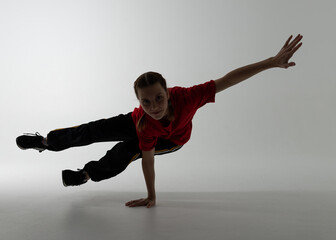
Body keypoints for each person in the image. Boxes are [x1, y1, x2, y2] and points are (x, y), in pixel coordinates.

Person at [16, 34, 303, 208]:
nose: (154, 106)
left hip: (171, 139)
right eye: (146, 101)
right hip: (140, 126)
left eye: (159, 98)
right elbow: (143, 122)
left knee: (125, 151)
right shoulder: (143, 118)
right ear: (139, 101)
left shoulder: (189, 97)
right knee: (94, 130)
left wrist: (271, 62)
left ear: (168, 94)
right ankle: (46, 142)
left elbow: (229, 79)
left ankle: (85, 175)